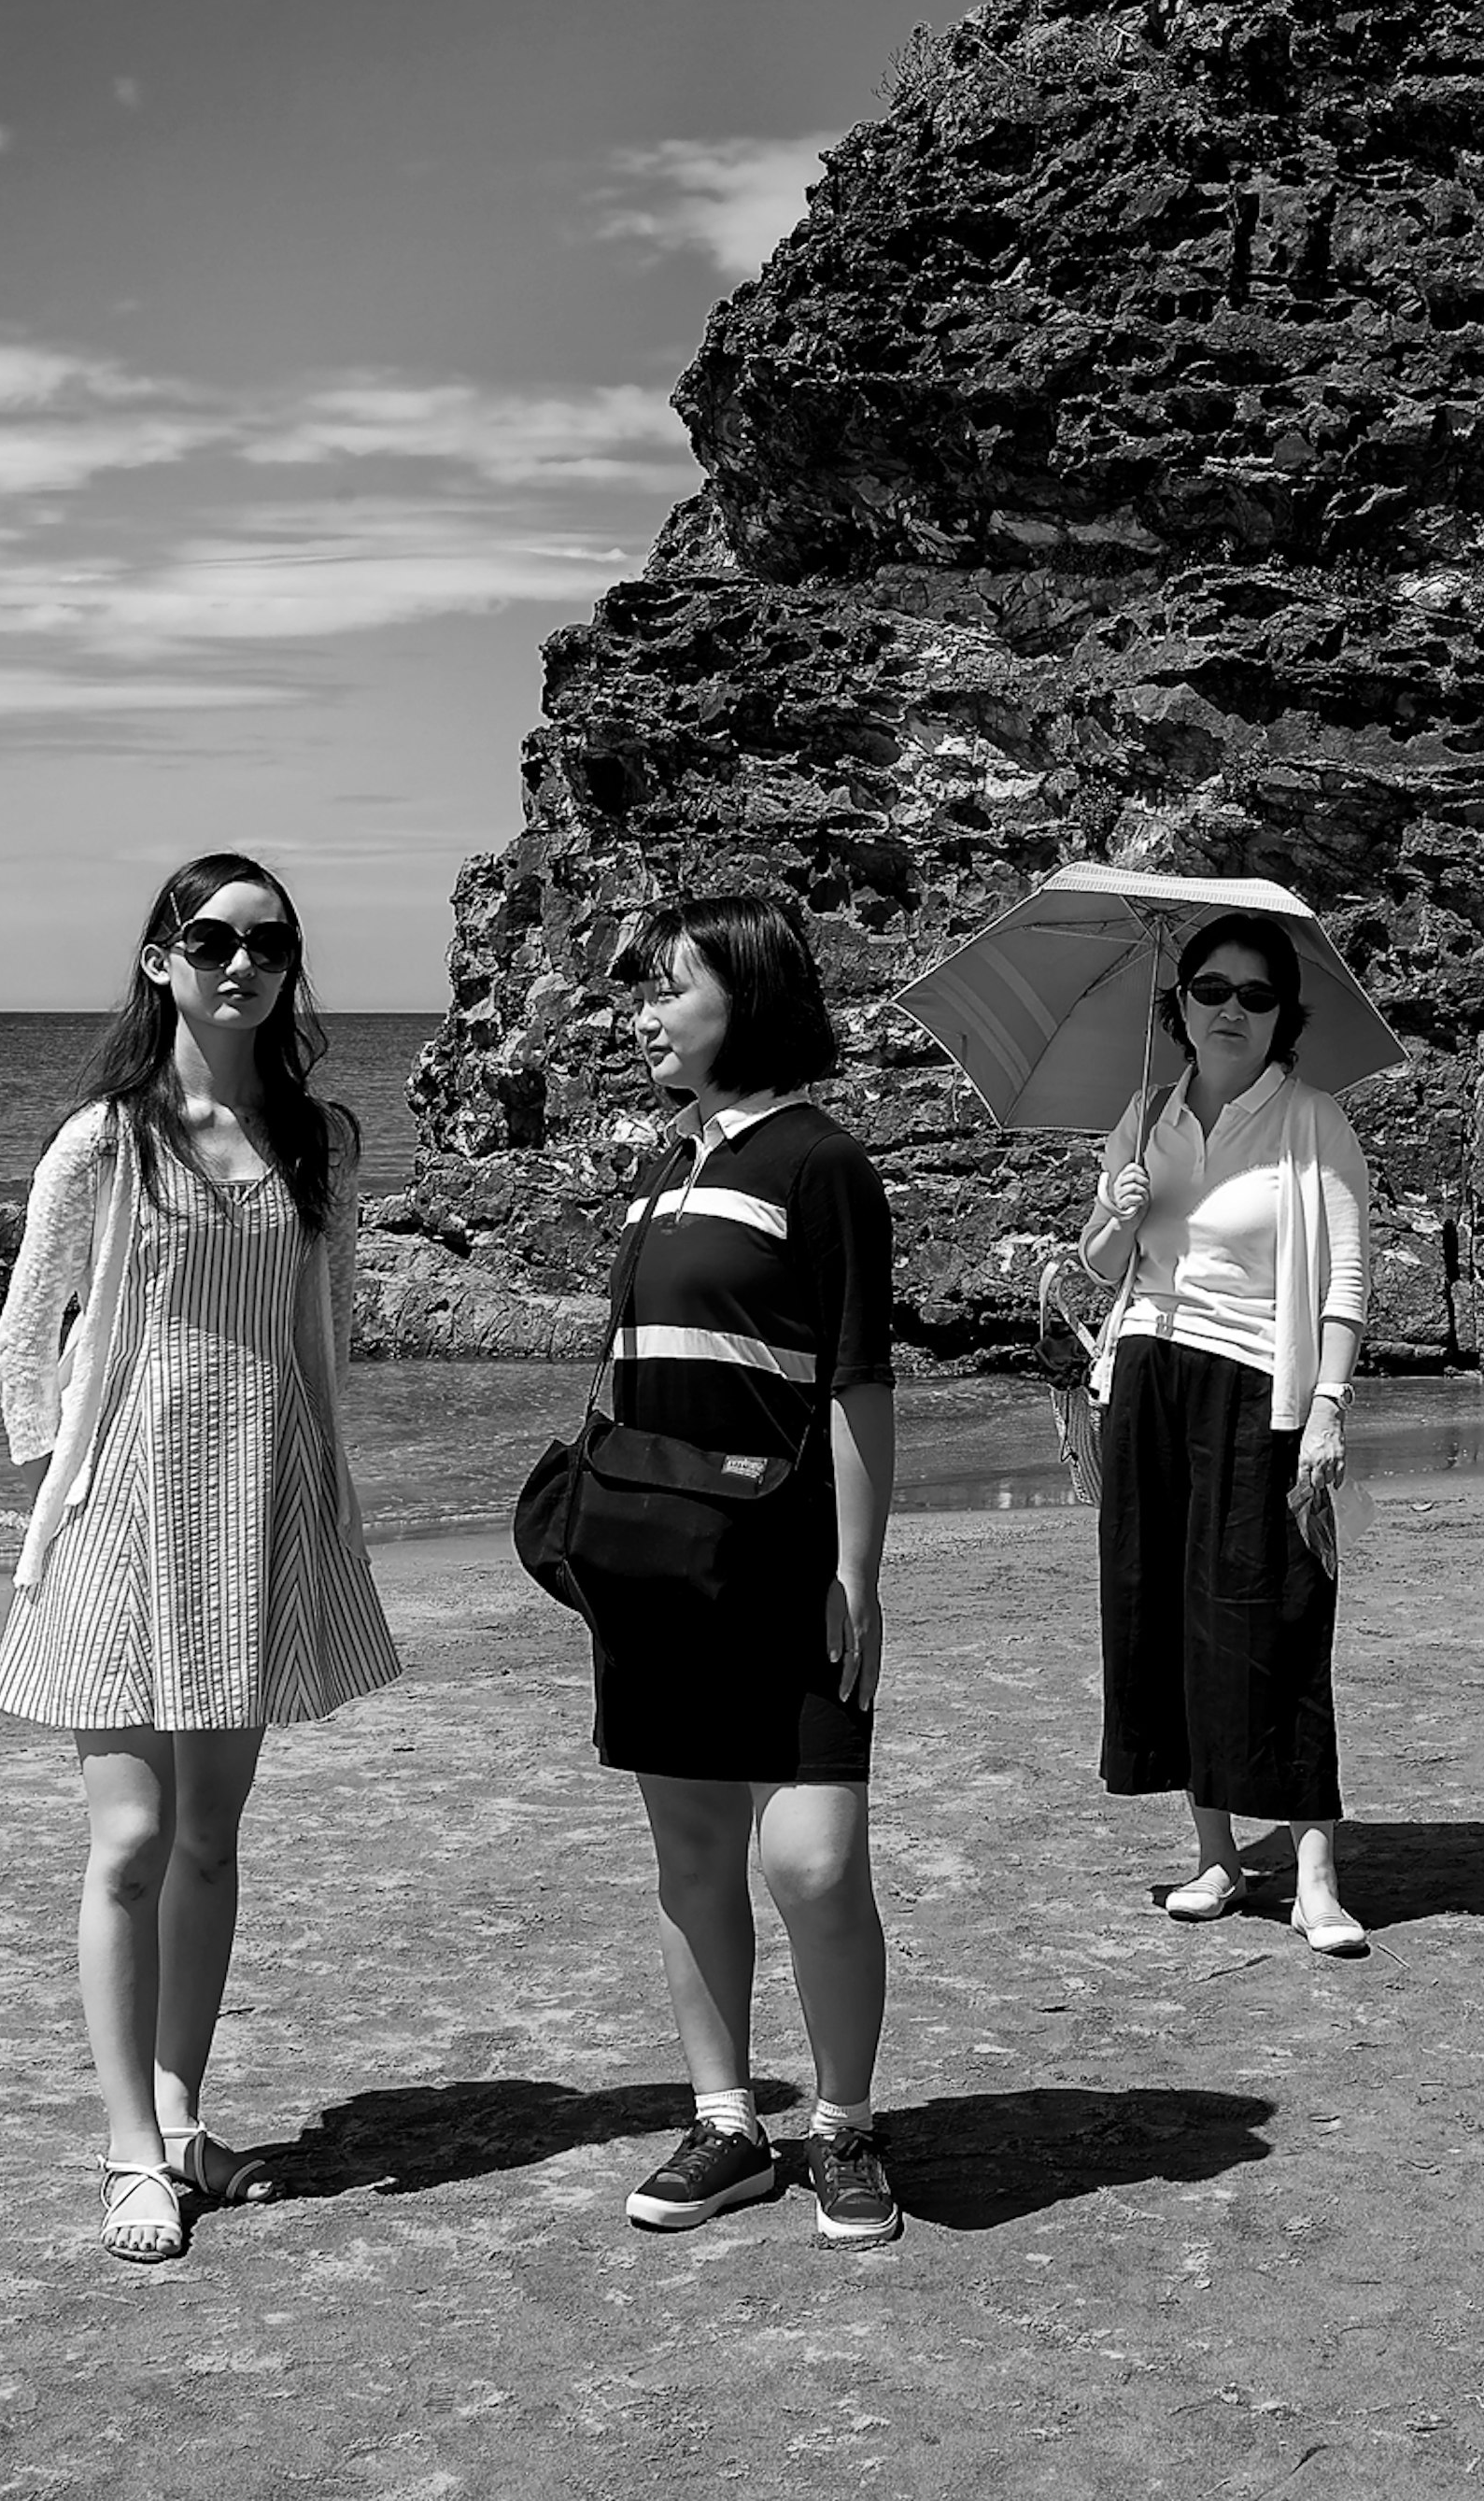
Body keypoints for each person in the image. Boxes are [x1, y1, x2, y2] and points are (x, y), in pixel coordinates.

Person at [0, 853, 400, 2265]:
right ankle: (126, 2155)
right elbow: (25, 1330)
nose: (240, 962)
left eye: (267, 943)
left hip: (255, 1502)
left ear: (288, 968)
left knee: (212, 1843)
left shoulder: (315, 1138)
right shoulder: (105, 1139)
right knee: (131, 1842)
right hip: (125, 1510)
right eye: (208, 938)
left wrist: (328, 1486)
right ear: (159, 958)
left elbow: (321, 1331)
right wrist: (70, 1478)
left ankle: (177, 2116)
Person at [592, 892, 903, 2251]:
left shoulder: (819, 1162)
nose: (645, 1014)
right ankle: (728, 2123)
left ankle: (843, 2127)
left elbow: (856, 1381)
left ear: (751, 998)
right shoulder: (665, 1167)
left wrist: (858, 1572)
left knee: (816, 1861)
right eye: (643, 993)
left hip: (784, 1570)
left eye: (672, 987)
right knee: (695, 1852)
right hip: (659, 1572)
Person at [1077, 907, 1374, 1955]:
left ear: (1284, 1012)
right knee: (1162, 1614)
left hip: (1264, 1389)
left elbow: (1344, 1279)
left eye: (1256, 994)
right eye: (1211, 990)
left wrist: (1329, 1408)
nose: (1232, 1009)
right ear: (1181, 1006)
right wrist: (1118, 1208)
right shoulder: (1146, 1111)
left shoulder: (1313, 1120)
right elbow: (1102, 1267)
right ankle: (1216, 1857)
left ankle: (1315, 1878)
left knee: (1275, 1619)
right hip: (1147, 1378)